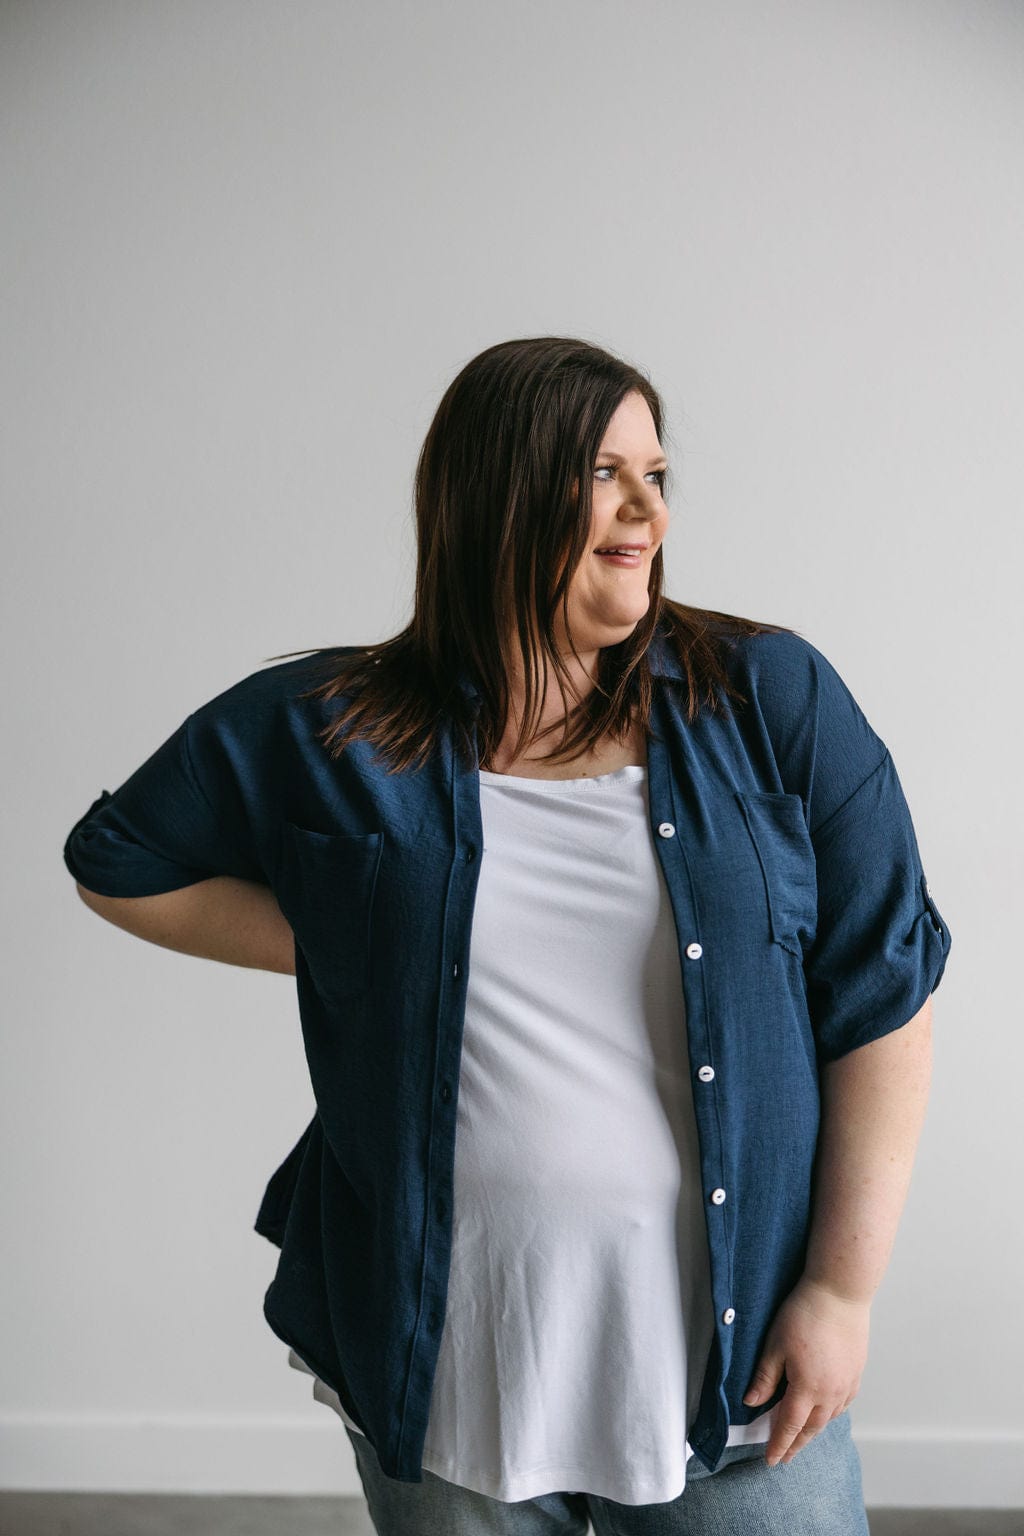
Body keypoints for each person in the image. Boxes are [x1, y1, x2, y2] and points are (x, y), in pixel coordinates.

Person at [63, 336, 951, 1535]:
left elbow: (883, 992)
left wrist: (841, 1292)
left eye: (657, 476)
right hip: (443, 1357)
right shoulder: (336, 729)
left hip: (738, 1365)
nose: (648, 510)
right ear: (496, 493)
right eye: (604, 473)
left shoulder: (767, 698)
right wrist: (361, 948)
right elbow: (117, 862)